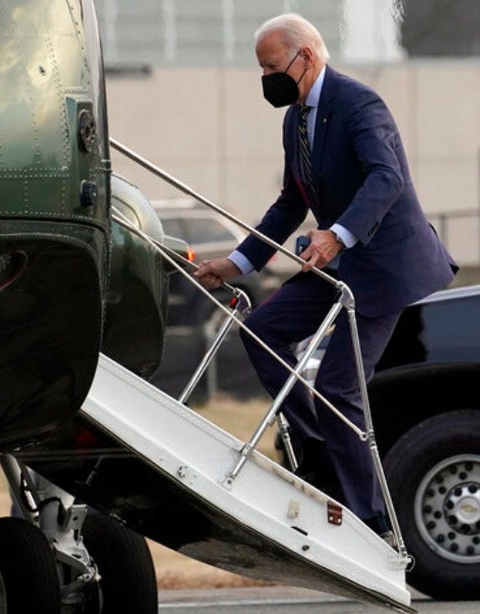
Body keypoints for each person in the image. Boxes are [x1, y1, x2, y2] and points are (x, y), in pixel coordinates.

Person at [193, 13, 457, 540]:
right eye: (261, 68)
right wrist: (239, 263)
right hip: (338, 264)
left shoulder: (358, 103)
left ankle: (369, 519)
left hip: (384, 267)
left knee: (337, 387)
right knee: (263, 331)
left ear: (305, 57)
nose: (266, 77)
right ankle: (321, 458)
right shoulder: (295, 119)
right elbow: (291, 203)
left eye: (272, 66)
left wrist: (336, 233)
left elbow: (387, 178)